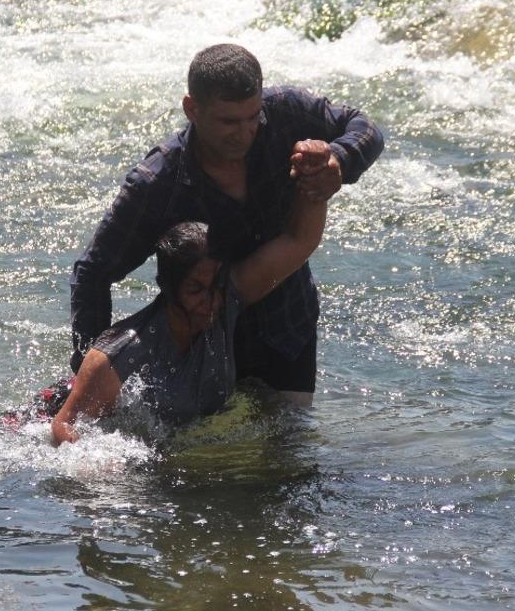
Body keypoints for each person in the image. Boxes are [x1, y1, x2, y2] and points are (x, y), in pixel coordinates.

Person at [69, 44, 383, 405]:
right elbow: (93, 274)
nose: (245, 132)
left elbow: (366, 127)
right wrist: (88, 377)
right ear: (192, 109)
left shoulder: (285, 112)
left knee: (291, 434)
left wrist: (339, 160)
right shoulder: (157, 184)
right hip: (201, 341)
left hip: (287, 324)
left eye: (253, 117)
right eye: (228, 122)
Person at [51, 184, 326, 446]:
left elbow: (300, 241)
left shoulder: (227, 302)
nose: (210, 302)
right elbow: (64, 424)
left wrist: (319, 183)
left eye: (217, 286)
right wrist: (100, 463)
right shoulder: (120, 354)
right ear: (167, 287)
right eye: (195, 289)